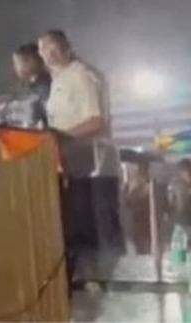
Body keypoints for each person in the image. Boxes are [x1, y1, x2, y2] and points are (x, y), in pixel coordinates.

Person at [37, 29, 124, 262]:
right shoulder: (59, 80)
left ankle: (111, 286)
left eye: (52, 47)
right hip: (74, 166)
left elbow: (96, 121)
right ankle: (89, 284)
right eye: (43, 49)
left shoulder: (82, 75)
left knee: (101, 235)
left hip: (96, 167)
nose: (47, 53)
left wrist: (59, 136)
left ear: (66, 47)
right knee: (80, 232)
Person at [8, 43, 51, 128]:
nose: (15, 68)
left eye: (17, 63)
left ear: (31, 62)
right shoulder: (37, 85)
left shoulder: (43, 88)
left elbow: (33, 120)